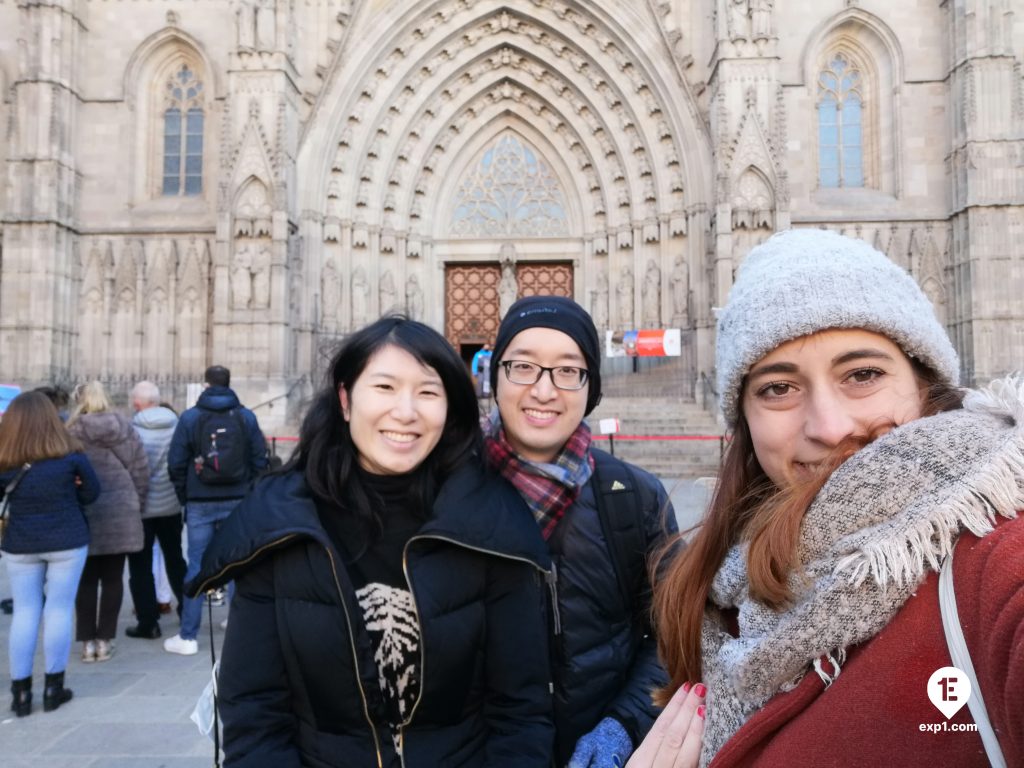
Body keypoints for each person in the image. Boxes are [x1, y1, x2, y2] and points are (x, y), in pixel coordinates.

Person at [632, 229, 1024, 767]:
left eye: (862, 374)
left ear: (925, 381)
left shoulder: (997, 560)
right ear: (745, 419)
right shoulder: (722, 596)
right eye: (778, 387)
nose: (830, 426)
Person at [186, 316, 555, 766]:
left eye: (427, 391)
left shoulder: (492, 524)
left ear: (451, 409)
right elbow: (253, 713)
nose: (406, 411)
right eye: (384, 387)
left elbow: (520, 712)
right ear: (345, 399)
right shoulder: (280, 525)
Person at [486, 295, 677, 768]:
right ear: (495, 378)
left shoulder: (634, 498)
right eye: (522, 366)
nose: (544, 391)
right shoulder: (445, 494)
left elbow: (678, 630)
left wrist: (626, 723)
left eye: (568, 370)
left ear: (590, 387)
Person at [0, 392, 100, 715]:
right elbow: (92, 493)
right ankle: (54, 689)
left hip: (20, 542)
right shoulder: (71, 455)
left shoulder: (4, 458)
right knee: (58, 609)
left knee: (25, 612)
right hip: (66, 540)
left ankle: (21, 694)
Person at [165, 365, 267, 656]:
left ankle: (188, 636)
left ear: (206, 385)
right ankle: (239, 628)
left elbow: (176, 463)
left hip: (200, 501)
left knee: (196, 566)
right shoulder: (245, 416)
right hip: (238, 499)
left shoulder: (190, 417)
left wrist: (187, 495)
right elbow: (260, 459)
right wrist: (249, 492)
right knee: (238, 564)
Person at [67, 381, 149, 663]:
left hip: (85, 508)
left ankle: (87, 643)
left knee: (86, 580)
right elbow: (140, 469)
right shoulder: (125, 427)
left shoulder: (71, 432)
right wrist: (135, 502)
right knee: (113, 579)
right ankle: (105, 640)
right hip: (121, 508)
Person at [124, 381, 187, 639]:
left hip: (141, 506)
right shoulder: (178, 425)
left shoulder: (131, 429)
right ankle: (188, 611)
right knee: (175, 559)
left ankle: (148, 622)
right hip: (171, 503)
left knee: (140, 565)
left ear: (138, 404)